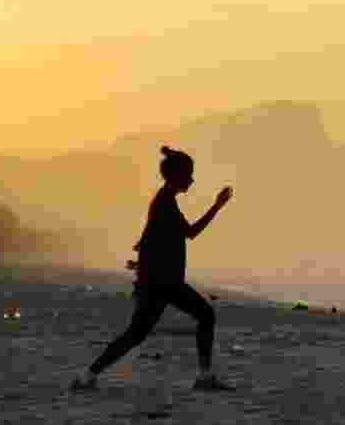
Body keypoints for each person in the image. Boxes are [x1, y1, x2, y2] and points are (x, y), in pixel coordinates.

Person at [71, 146, 235, 392]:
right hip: (163, 283)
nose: (191, 179)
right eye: (188, 174)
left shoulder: (164, 200)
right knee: (203, 316)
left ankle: (88, 375)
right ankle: (204, 377)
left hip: (158, 281)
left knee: (137, 334)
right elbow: (190, 233)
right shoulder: (165, 203)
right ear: (176, 176)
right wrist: (217, 205)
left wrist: (141, 261)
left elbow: (151, 237)